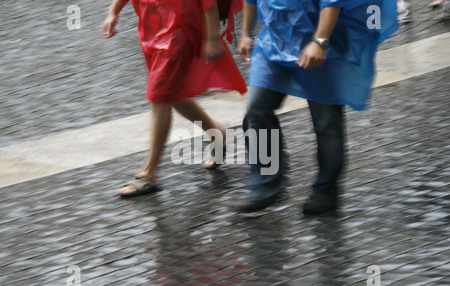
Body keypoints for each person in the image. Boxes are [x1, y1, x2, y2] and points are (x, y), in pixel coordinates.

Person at [233, 0, 398, 213]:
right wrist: (246, 33)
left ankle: (326, 191)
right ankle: (264, 187)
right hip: (273, 42)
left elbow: (333, 2)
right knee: (256, 110)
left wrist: (320, 42)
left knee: (327, 122)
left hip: (320, 44)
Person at [102, 0, 247, 198]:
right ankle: (216, 132)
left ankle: (149, 172)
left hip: (179, 31)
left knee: (160, 96)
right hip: (152, 29)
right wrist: (113, 12)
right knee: (172, 95)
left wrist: (212, 37)